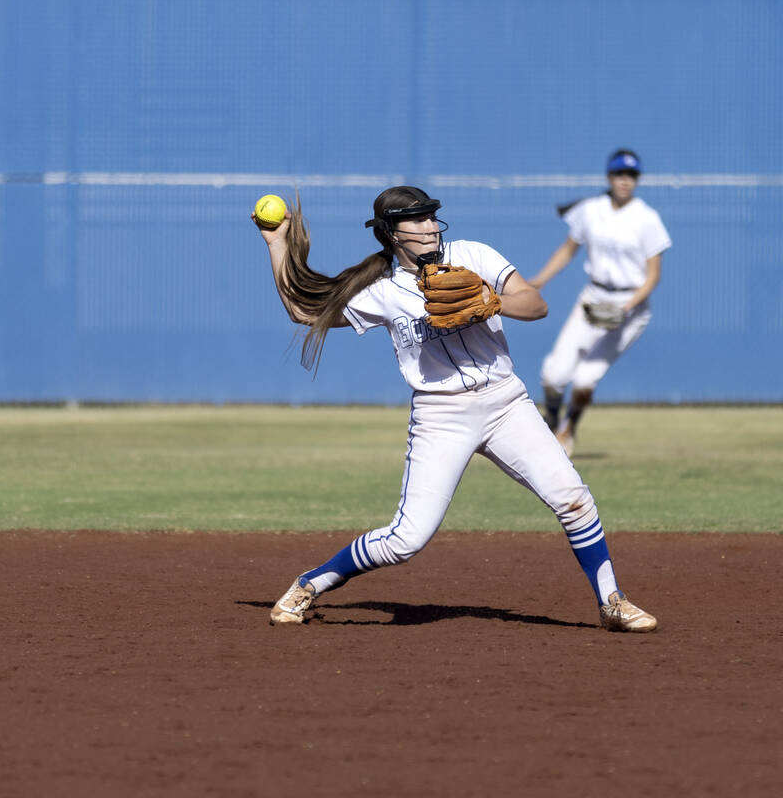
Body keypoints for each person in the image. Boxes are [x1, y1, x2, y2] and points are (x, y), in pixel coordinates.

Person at [256, 186, 656, 632]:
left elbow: (537, 305)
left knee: (574, 499)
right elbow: (301, 311)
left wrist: (493, 301)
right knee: (406, 541)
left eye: (431, 216)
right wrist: (276, 244)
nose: (429, 225)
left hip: (506, 402)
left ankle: (612, 602)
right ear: (390, 233)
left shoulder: (473, 254)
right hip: (441, 415)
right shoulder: (382, 290)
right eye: (417, 219)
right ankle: (310, 582)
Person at [529, 150, 671, 455]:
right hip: (594, 299)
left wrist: (627, 306)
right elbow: (568, 250)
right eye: (620, 174)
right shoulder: (591, 210)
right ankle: (553, 417)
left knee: (584, 380)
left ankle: (569, 428)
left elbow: (653, 276)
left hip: (628, 306)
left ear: (638, 180)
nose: (625, 180)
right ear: (609, 177)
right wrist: (538, 281)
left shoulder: (647, 219)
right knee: (554, 376)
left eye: (631, 176)